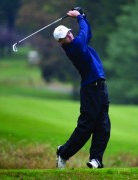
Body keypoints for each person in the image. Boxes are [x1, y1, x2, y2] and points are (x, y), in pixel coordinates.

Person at [53, 8, 111, 169]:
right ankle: (63, 153)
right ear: (61, 42)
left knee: (103, 125)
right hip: (91, 90)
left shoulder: (78, 43)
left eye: (69, 33)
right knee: (86, 127)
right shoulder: (75, 47)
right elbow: (84, 31)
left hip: (100, 87)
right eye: (65, 37)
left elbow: (88, 31)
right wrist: (79, 17)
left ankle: (96, 160)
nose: (70, 36)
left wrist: (83, 16)